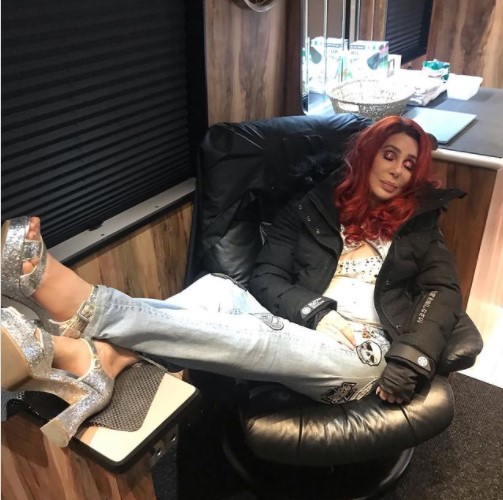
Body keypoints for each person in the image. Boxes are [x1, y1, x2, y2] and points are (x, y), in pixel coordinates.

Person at [1, 116, 465, 448]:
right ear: (367, 155)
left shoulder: (418, 226)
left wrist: (413, 356)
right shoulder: (309, 209)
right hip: (304, 324)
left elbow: (443, 291)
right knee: (218, 289)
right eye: (390, 155)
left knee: (263, 337)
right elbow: (265, 277)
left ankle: (86, 310)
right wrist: (316, 313)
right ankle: (103, 358)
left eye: (409, 165)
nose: (397, 170)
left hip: (363, 353)